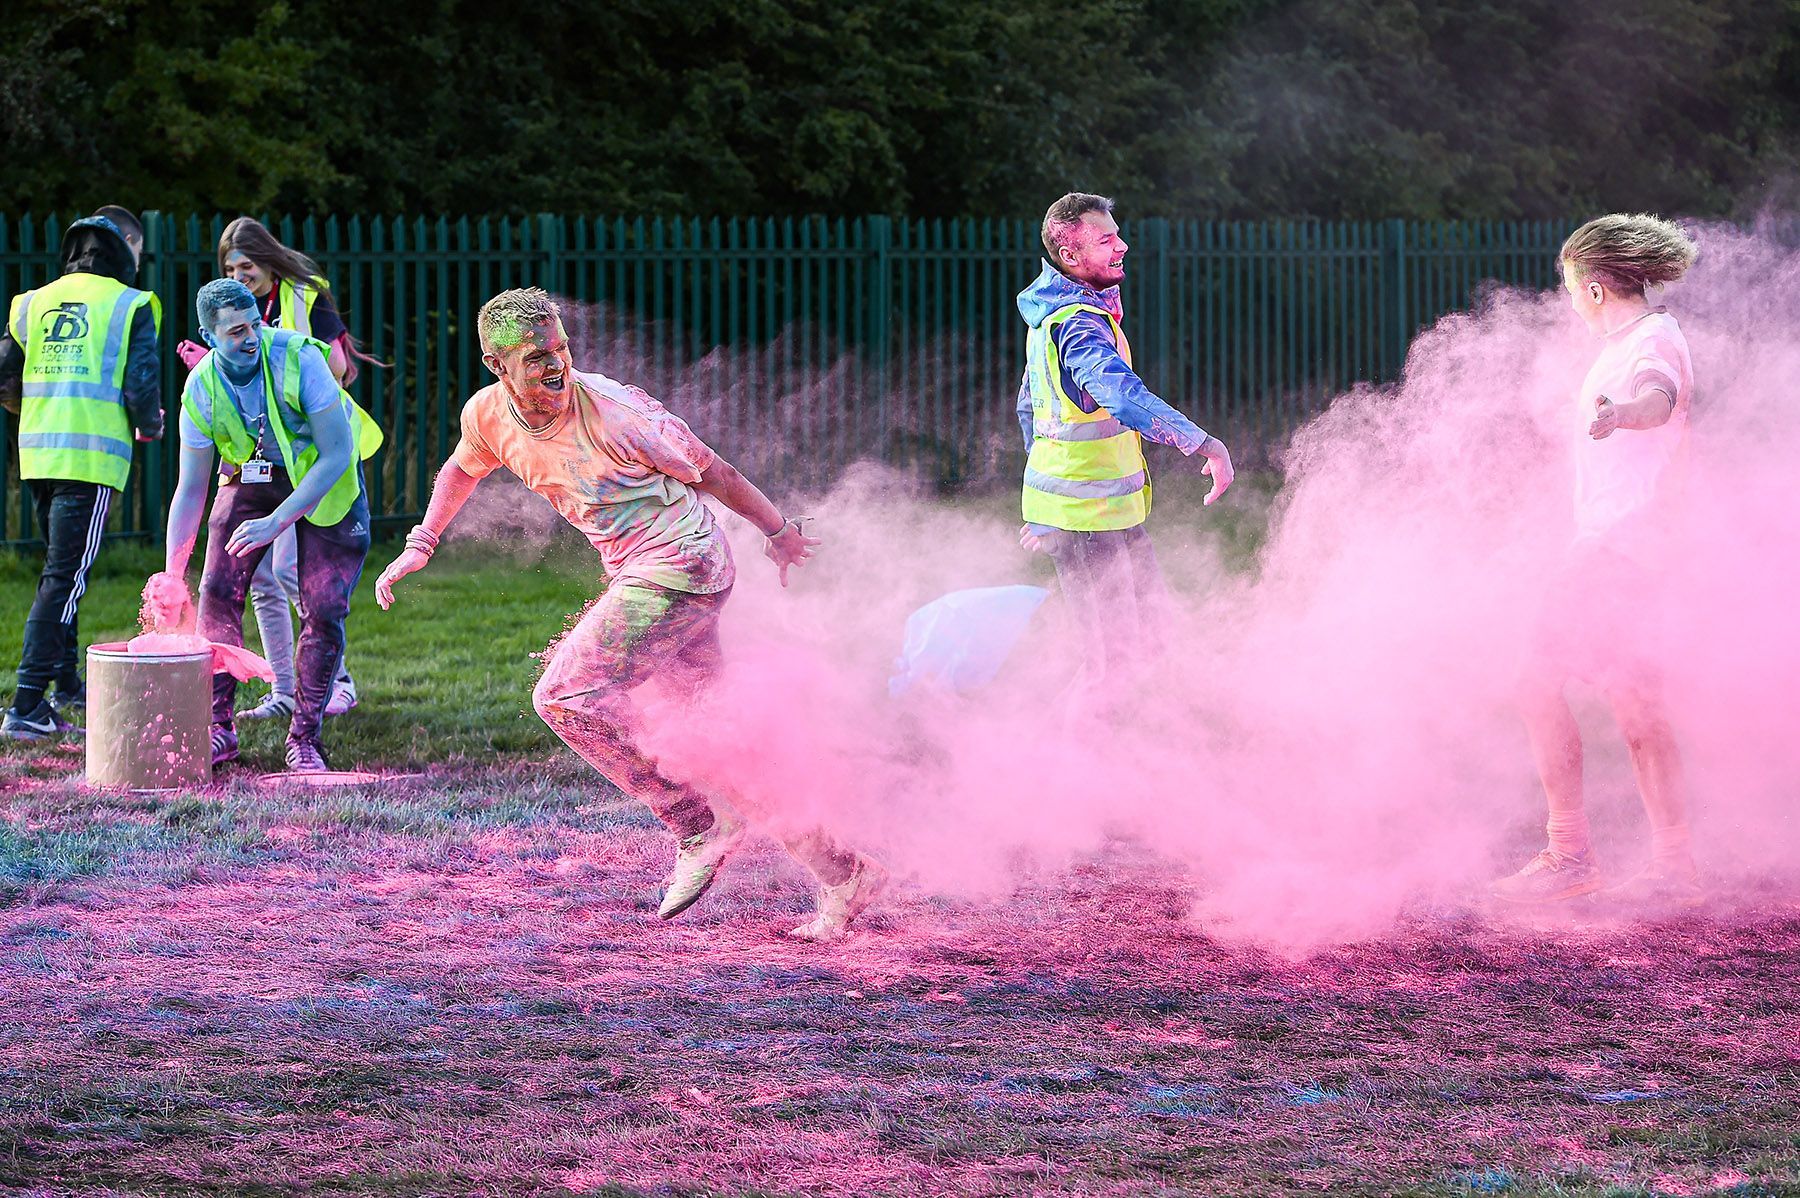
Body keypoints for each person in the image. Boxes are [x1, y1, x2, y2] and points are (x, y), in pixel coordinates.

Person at [373, 287, 885, 941]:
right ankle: (844, 872)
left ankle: (696, 824)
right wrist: (420, 544)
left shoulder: (619, 413)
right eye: (537, 356)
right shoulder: (490, 417)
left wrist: (778, 531)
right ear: (498, 366)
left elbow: (716, 474)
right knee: (711, 741)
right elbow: (460, 469)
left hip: (684, 569)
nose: (557, 363)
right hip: (650, 574)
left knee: (563, 696)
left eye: (560, 346)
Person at [1492, 213, 1701, 908]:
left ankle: (1571, 852)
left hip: (1620, 549)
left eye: (1569, 285)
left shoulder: (1652, 341)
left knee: (1532, 678)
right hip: (1628, 546)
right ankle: (1671, 864)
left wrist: (1628, 413)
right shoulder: (1629, 341)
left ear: (1596, 288)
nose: (1568, 299)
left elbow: (1657, 397)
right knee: (1636, 705)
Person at [1016, 192, 1234, 696]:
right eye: (1107, 239)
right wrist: (1203, 444)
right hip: (1083, 521)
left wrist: (1040, 503)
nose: (1124, 245)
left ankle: (1141, 754)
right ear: (1070, 256)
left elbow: (1029, 406)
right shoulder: (1075, 324)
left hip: (1106, 516)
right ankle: (1068, 767)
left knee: (1153, 638)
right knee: (1110, 664)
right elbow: (1120, 395)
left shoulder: (1067, 315)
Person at [162, 279, 382, 773]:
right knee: (217, 589)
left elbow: (335, 454)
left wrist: (276, 522)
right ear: (208, 335)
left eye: (255, 325)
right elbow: (191, 489)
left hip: (327, 480)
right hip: (254, 475)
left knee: (324, 606)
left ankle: (305, 737)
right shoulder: (200, 389)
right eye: (236, 331)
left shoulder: (300, 359)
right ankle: (219, 730)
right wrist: (172, 574)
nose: (251, 338)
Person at [1, 210, 162, 740]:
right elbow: (140, 385)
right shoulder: (131, 304)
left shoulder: (31, 302)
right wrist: (150, 424)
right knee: (64, 581)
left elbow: (5, 379)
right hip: (91, 460)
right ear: (129, 245)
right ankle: (26, 705)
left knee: (57, 572)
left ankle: (66, 686)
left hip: (38, 456)